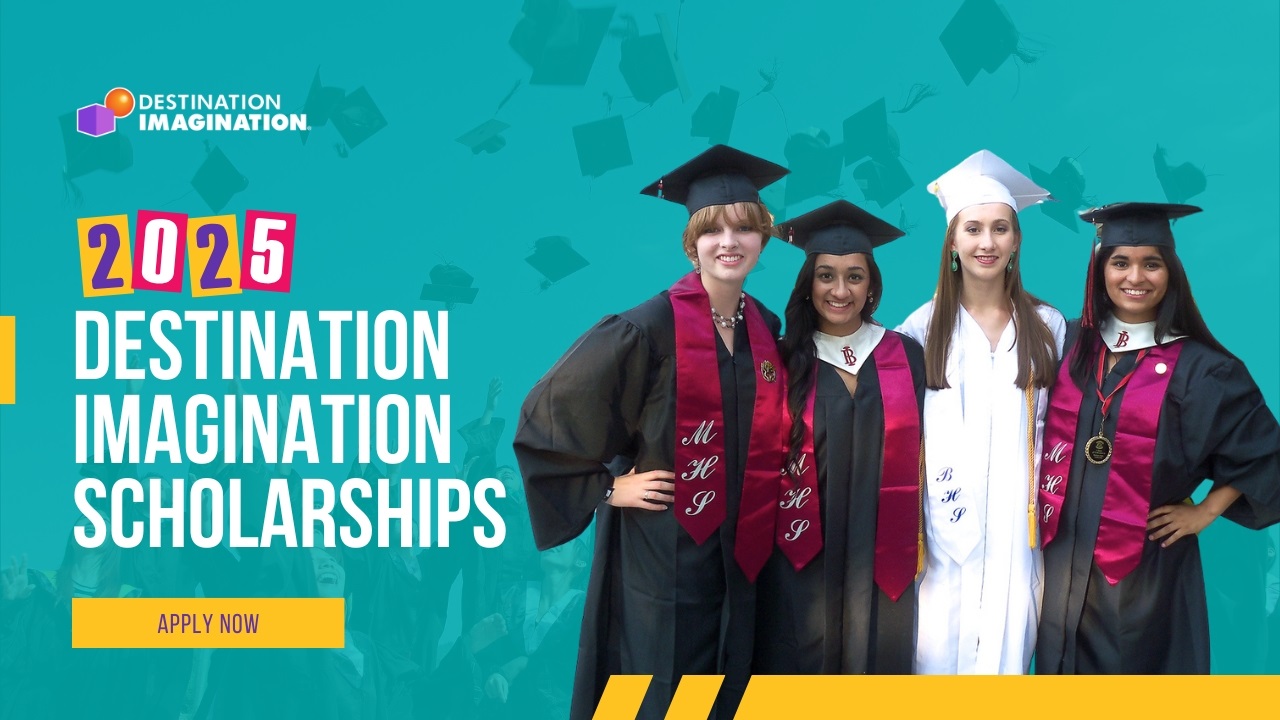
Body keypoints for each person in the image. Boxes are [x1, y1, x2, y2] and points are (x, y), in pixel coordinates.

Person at [513, 145, 790, 719]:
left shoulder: (765, 326)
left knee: (730, 685)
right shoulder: (648, 326)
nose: (729, 242)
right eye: (713, 231)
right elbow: (549, 411)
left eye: (744, 228)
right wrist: (610, 489)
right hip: (664, 550)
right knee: (662, 686)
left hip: (740, 549)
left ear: (763, 240)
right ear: (692, 244)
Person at [1035, 202, 1280, 673]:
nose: (1136, 277)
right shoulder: (1067, 345)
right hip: (1061, 560)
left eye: (1152, 263)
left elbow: (1264, 451)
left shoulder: (1204, 367)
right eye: (1120, 262)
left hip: (1145, 571)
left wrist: (1206, 511)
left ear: (1171, 274)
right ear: (1100, 270)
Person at [897, 150, 1065, 674]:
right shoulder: (919, 332)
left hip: (1020, 540)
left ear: (1016, 240)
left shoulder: (1049, 328)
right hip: (942, 538)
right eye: (972, 229)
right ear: (952, 242)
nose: (986, 242)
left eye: (999, 229)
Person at [752, 200, 924, 674]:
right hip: (798, 552)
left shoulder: (905, 355)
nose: (840, 290)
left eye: (855, 276)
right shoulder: (782, 361)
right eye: (826, 275)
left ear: (872, 286)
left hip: (882, 556)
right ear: (808, 284)